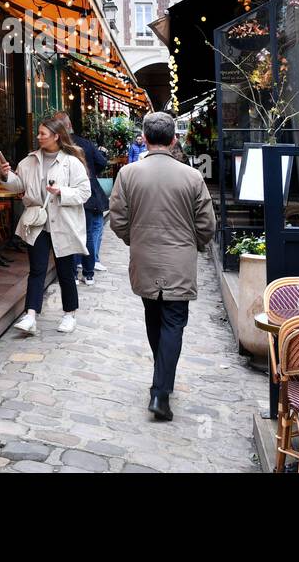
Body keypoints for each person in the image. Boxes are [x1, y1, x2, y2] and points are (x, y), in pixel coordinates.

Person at [108, 111, 216, 421]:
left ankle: (160, 381)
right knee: (174, 322)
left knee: (153, 317)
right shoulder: (192, 176)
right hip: (179, 260)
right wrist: (192, 244)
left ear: (143, 137)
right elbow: (207, 224)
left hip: (144, 257)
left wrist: (135, 239)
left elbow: (118, 219)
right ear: (173, 139)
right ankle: (161, 392)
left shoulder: (128, 174)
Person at [0, 117, 91, 336]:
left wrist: (62, 192)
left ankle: (69, 314)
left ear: (56, 136)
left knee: (65, 271)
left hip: (63, 223)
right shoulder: (29, 161)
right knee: (37, 270)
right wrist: (5, 175)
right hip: (37, 222)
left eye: (43, 134)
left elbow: (84, 192)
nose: (38, 137)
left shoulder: (71, 162)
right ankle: (31, 315)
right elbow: (17, 186)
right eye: (38, 133)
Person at [53, 111, 108, 284]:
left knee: (71, 233)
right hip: (87, 194)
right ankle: (88, 273)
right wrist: (90, 175)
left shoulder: (56, 147)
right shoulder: (85, 144)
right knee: (88, 234)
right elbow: (102, 162)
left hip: (65, 193)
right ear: (70, 125)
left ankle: (74, 273)